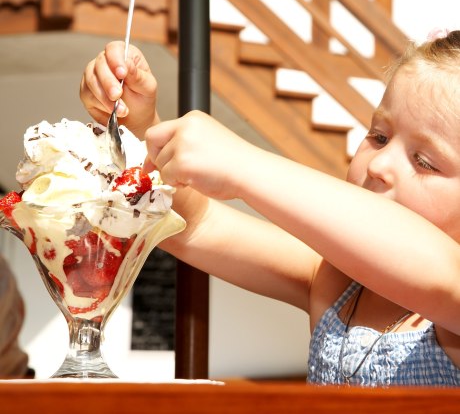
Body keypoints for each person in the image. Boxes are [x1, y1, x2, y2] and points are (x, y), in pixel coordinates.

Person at [80, 30, 460, 387]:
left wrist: (241, 164)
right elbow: (195, 223)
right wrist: (140, 127)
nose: (378, 165)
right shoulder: (334, 280)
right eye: (378, 136)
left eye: (425, 162)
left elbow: (438, 271)